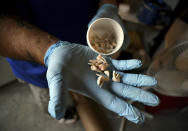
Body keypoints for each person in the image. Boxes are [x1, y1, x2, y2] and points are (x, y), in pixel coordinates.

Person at [0, 0, 159, 124]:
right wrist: (49, 50)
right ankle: (64, 112)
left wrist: (108, 5)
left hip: (86, 43)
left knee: (88, 88)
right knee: (51, 96)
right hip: (32, 59)